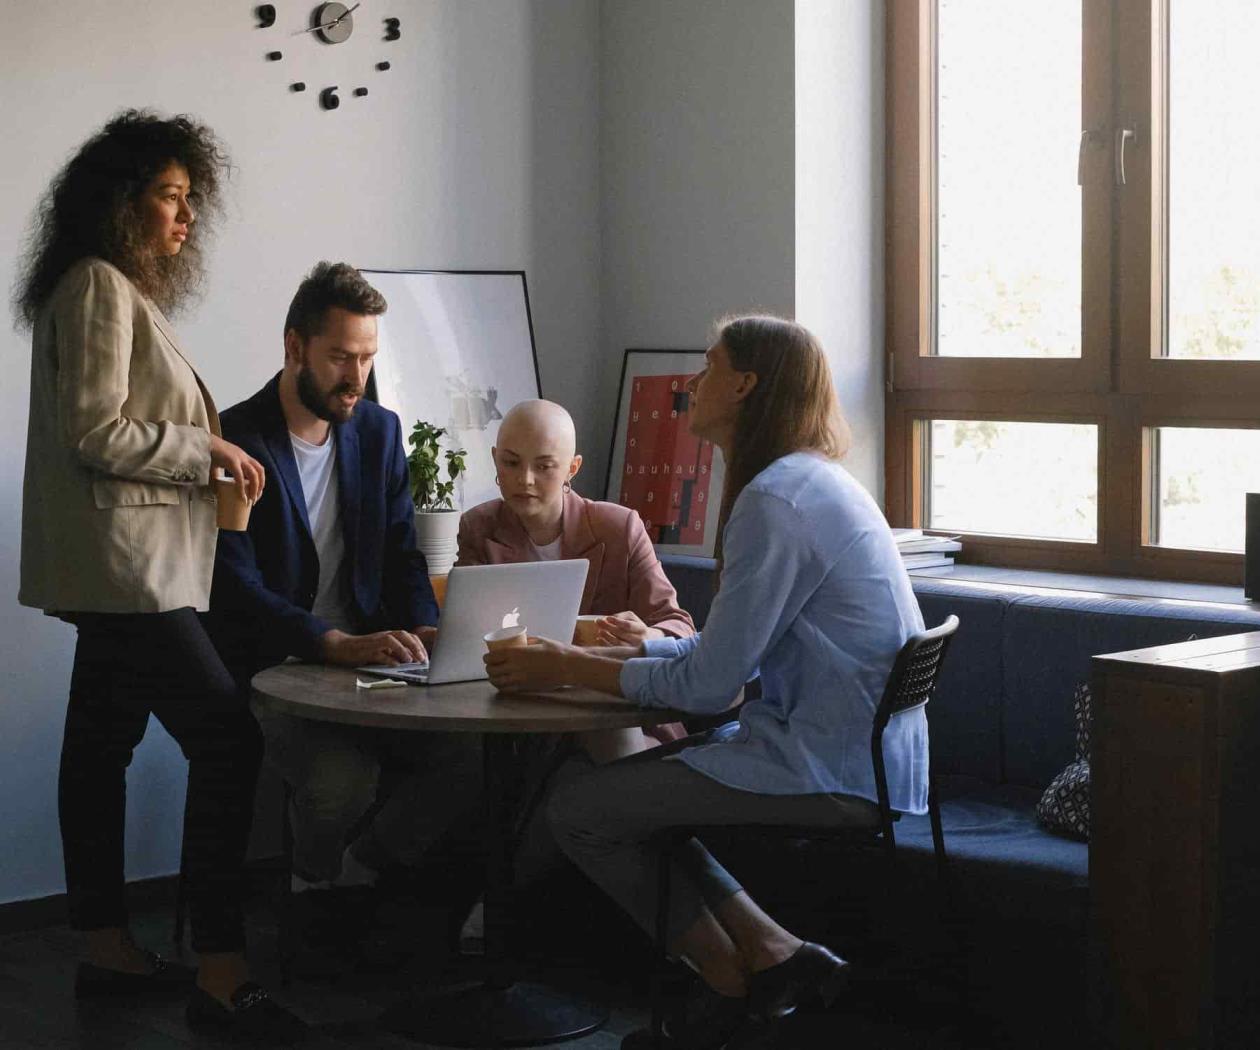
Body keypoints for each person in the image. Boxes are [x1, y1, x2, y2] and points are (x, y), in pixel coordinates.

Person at [483, 316, 927, 1049]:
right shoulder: (810, 483)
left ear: (746, 385)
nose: (695, 381)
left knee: (581, 811)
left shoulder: (775, 503)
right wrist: (640, 652)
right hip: (866, 755)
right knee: (632, 797)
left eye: (710, 365)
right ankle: (775, 953)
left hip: (828, 765)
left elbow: (713, 687)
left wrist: (565, 664)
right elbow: (729, 658)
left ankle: (727, 985)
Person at [15, 110, 304, 1041]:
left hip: (125, 570)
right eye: (171, 198)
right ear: (121, 202)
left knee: (96, 752)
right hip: (129, 573)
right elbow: (95, 431)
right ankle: (222, 975)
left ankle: (107, 951)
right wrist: (206, 448)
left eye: (190, 200)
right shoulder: (99, 286)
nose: (186, 219)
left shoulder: (105, 288)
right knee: (229, 741)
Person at [206, 262, 480, 959]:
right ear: (294, 347)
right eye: (339, 357)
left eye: (367, 358)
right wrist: (329, 642)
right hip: (277, 667)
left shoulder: (379, 434)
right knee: (341, 781)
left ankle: (360, 872)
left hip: (368, 664)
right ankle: (313, 895)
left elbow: (398, 552)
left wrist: (424, 625)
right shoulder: (235, 437)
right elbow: (232, 584)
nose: (356, 377)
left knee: (473, 756)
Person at [456, 398, 695, 762]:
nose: (525, 479)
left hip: (612, 710)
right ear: (495, 460)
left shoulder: (619, 528)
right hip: (514, 706)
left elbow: (680, 627)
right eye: (511, 462)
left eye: (545, 466)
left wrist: (652, 636)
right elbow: (463, 632)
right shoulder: (479, 527)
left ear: (572, 467)